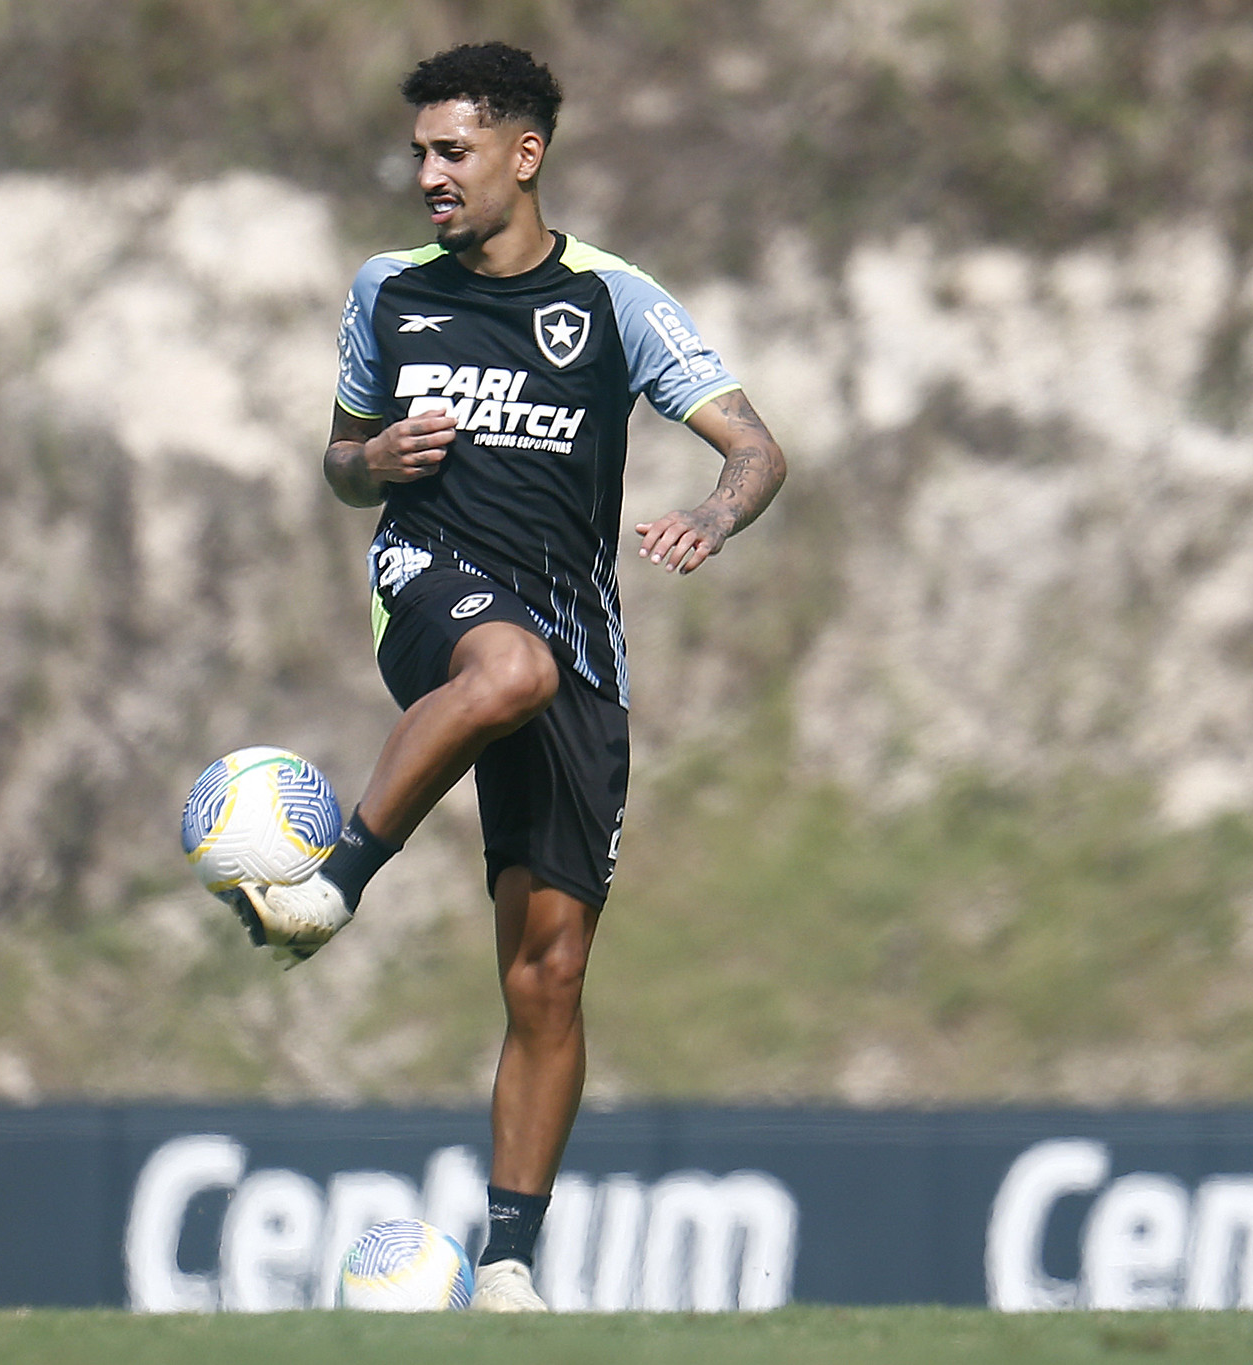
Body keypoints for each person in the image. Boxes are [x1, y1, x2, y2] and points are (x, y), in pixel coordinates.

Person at [227, 40, 786, 1311]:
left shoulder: (615, 302)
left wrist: (714, 510)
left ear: (523, 155)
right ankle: (332, 885)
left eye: (452, 150)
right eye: (420, 151)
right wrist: (380, 462)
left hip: (581, 648)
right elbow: (336, 460)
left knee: (548, 970)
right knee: (506, 666)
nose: (427, 173)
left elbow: (755, 447)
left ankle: (511, 1267)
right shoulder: (387, 293)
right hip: (429, 588)